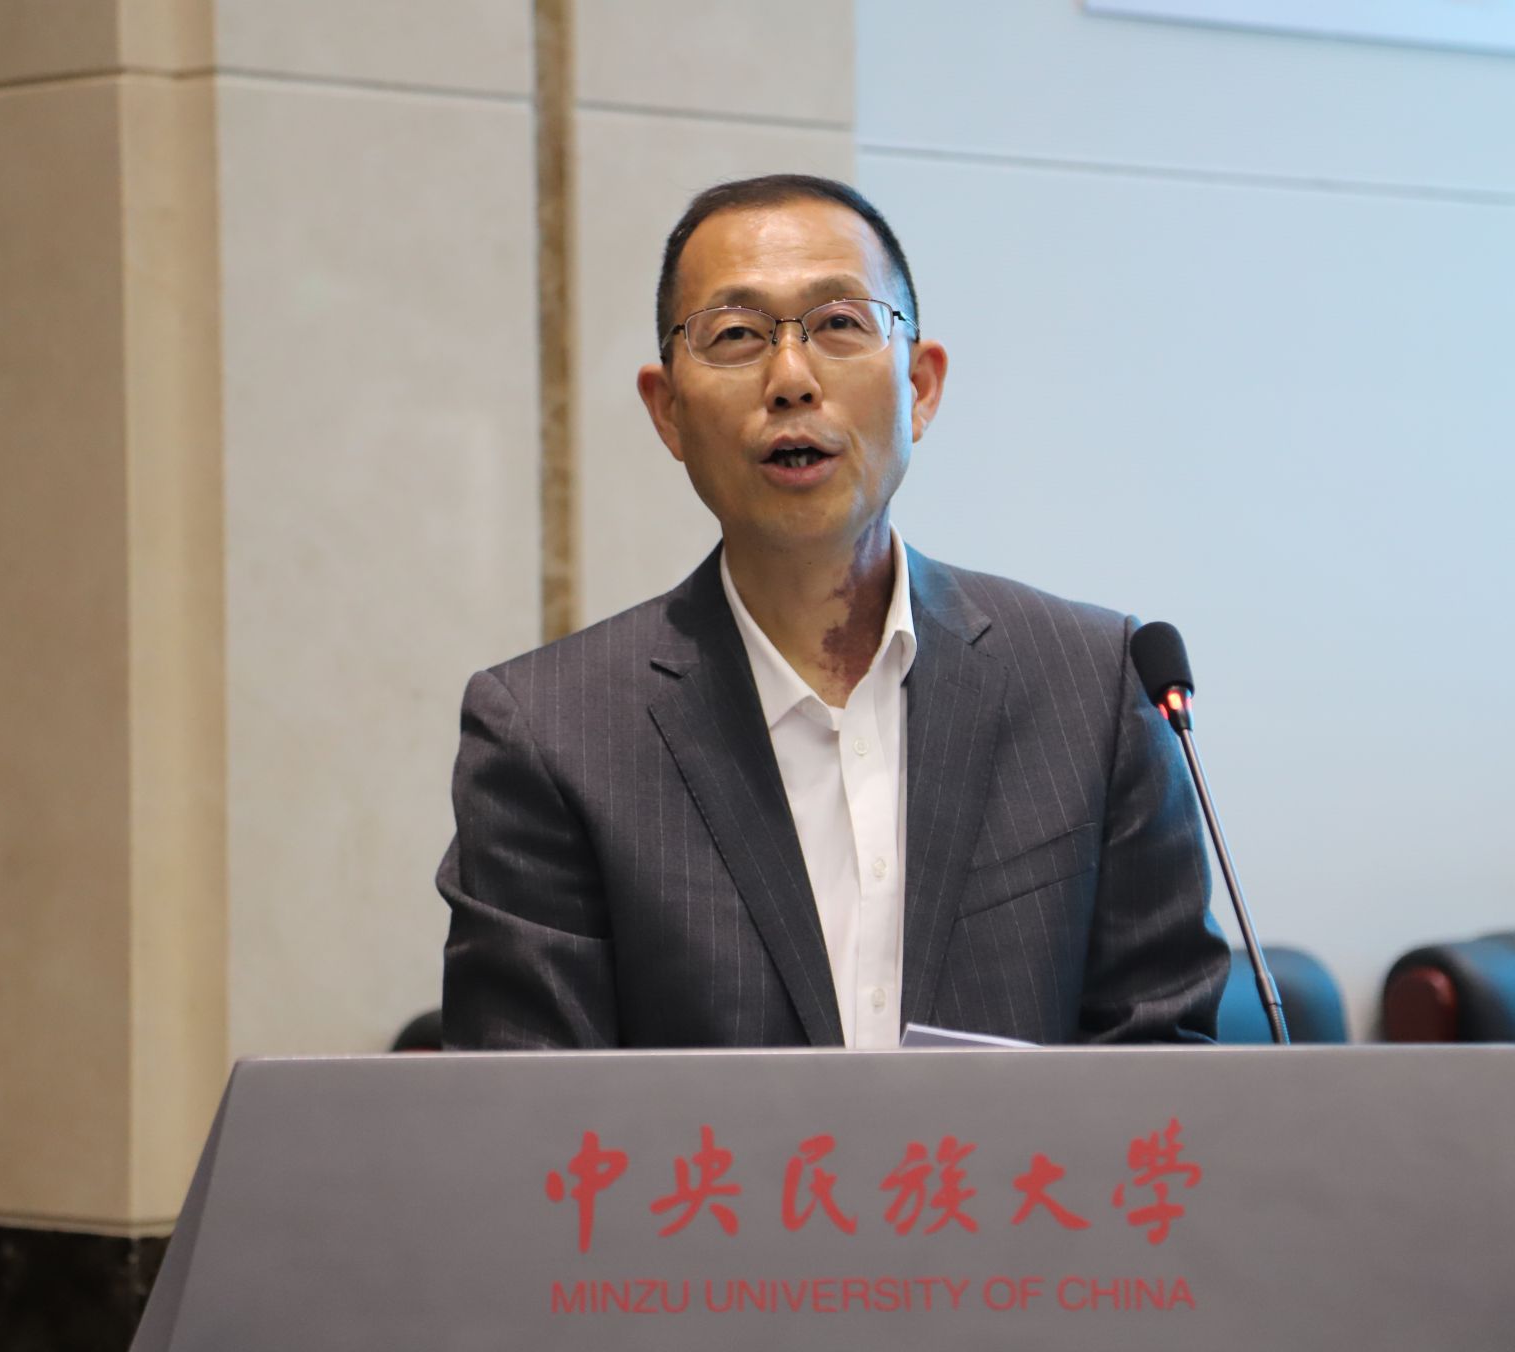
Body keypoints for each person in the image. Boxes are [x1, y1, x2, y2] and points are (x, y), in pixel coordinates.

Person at [438, 174, 1228, 1049]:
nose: (790, 379)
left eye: (841, 323)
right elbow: (530, 1105)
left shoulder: (1095, 687)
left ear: (920, 386)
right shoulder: (552, 736)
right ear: (668, 412)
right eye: (736, 335)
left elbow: (1163, 1071)